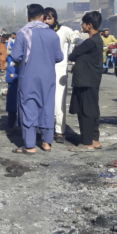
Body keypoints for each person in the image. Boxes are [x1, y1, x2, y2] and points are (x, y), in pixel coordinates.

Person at [11, 4, 64, 154]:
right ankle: (46, 143)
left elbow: (16, 56)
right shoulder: (53, 34)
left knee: (29, 106)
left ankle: (30, 145)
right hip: (48, 77)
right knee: (47, 106)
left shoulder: (23, 33)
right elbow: (59, 57)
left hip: (29, 76)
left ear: (28, 17)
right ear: (42, 17)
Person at [44, 8, 83, 144]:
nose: (46, 21)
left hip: (59, 71)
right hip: (43, 70)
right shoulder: (40, 32)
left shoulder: (64, 30)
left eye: (49, 18)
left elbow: (77, 41)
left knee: (59, 101)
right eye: (45, 18)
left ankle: (59, 131)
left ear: (55, 18)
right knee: (43, 101)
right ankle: (45, 128)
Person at [68, 11, 104, 152]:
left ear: (89, 25)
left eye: (83, 23)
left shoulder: (90, 41)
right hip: (92, 81)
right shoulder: (98, 39)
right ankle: (94, 140)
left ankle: (87, 143)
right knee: (93, 110)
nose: (81, 26)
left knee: (85, 111)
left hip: (86, 81)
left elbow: (72, 55)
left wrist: (77, 54)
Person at [5, 43, 18, 132]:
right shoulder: (10, 68)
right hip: (12, 91)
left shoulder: (25, 68)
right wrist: (18, 76)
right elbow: (8, 79)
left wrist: (15, 76)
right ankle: (10, 128)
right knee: (12, 112)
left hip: (21, 92)